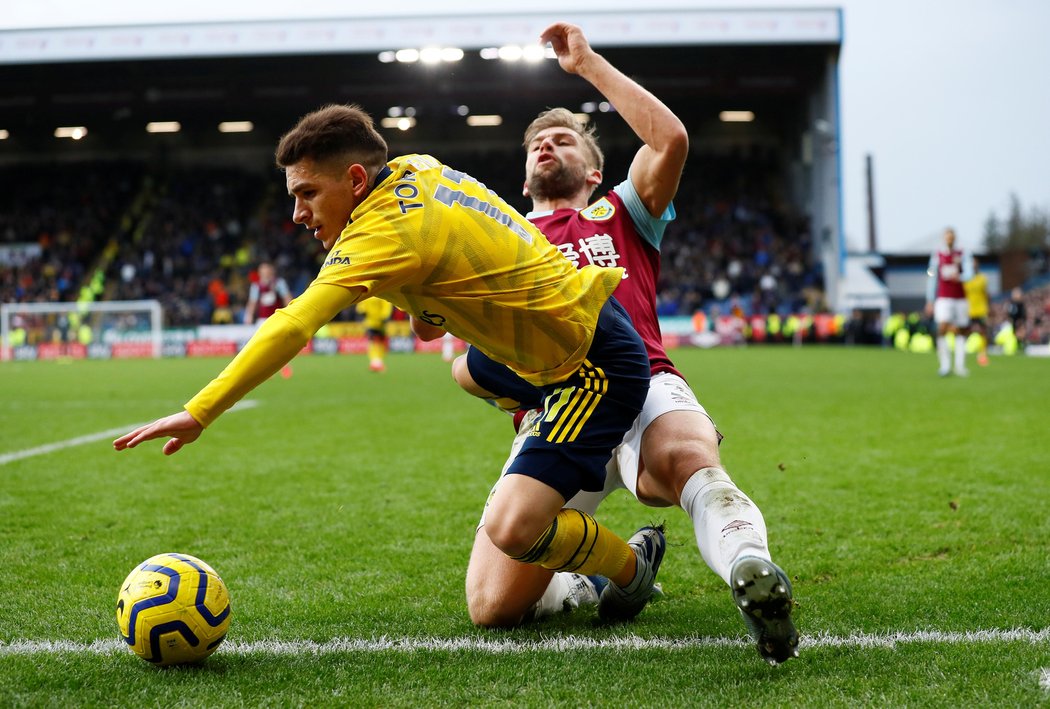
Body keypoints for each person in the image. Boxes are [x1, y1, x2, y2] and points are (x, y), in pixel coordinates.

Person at [113, 100, 667, 626]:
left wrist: (201, 411)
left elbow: (293, 323)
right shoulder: (416, 167)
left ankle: (629, 569)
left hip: (589, 364)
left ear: (356, 181)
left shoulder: (382, 233)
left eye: (307, 193)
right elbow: (439, 295)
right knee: (467, 372)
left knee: (513, 527)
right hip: (557, 336)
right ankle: (555, 445)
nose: (297, 214)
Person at [438, 22, 798, 665]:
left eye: (563, 139)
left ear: (595, 171)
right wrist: (524, 382)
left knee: (681, 462)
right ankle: (605, 573)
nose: (546, 145)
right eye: (536, 144)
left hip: (642, 380)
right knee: (493, 607)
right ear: (523, 181)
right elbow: (464, 365)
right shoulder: (498, 246)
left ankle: (753, 571)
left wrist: (588, 66)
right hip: (556, 415)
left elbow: (671, 139)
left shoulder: (622, 213)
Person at [925, 227, 973, 376]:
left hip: (960, 297)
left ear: (955, 238)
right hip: (943, 297)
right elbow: (931, 275)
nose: (949, 240)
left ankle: (960, 366)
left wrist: (961, 277)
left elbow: (970, 272)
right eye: (947, 237)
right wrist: (930, 299)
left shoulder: (963, 253)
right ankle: (945, 365)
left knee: (961, 330)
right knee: (942, 328)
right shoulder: (937, 255)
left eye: (951, 237)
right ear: (944, 238)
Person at [963, 256, 990, 366]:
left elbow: (986, 294)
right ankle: (963, 352)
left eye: (975, 263)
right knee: (965, 332)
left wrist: (989, 307)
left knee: (983, 332)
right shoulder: (965, 279)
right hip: (968, 310)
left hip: (981, 309)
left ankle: (982, 353)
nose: (973, 266)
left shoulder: (982, 278)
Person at [356, 296, 394, 372]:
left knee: (375, 342)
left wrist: (362, 311)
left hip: (374, 323)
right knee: (376, 341)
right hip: (375, 323)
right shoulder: (381, 295)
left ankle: (376, 361)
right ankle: (376, 361)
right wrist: (385, 316)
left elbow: (360, 308)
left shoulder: (368, 295)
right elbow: (387, 306)